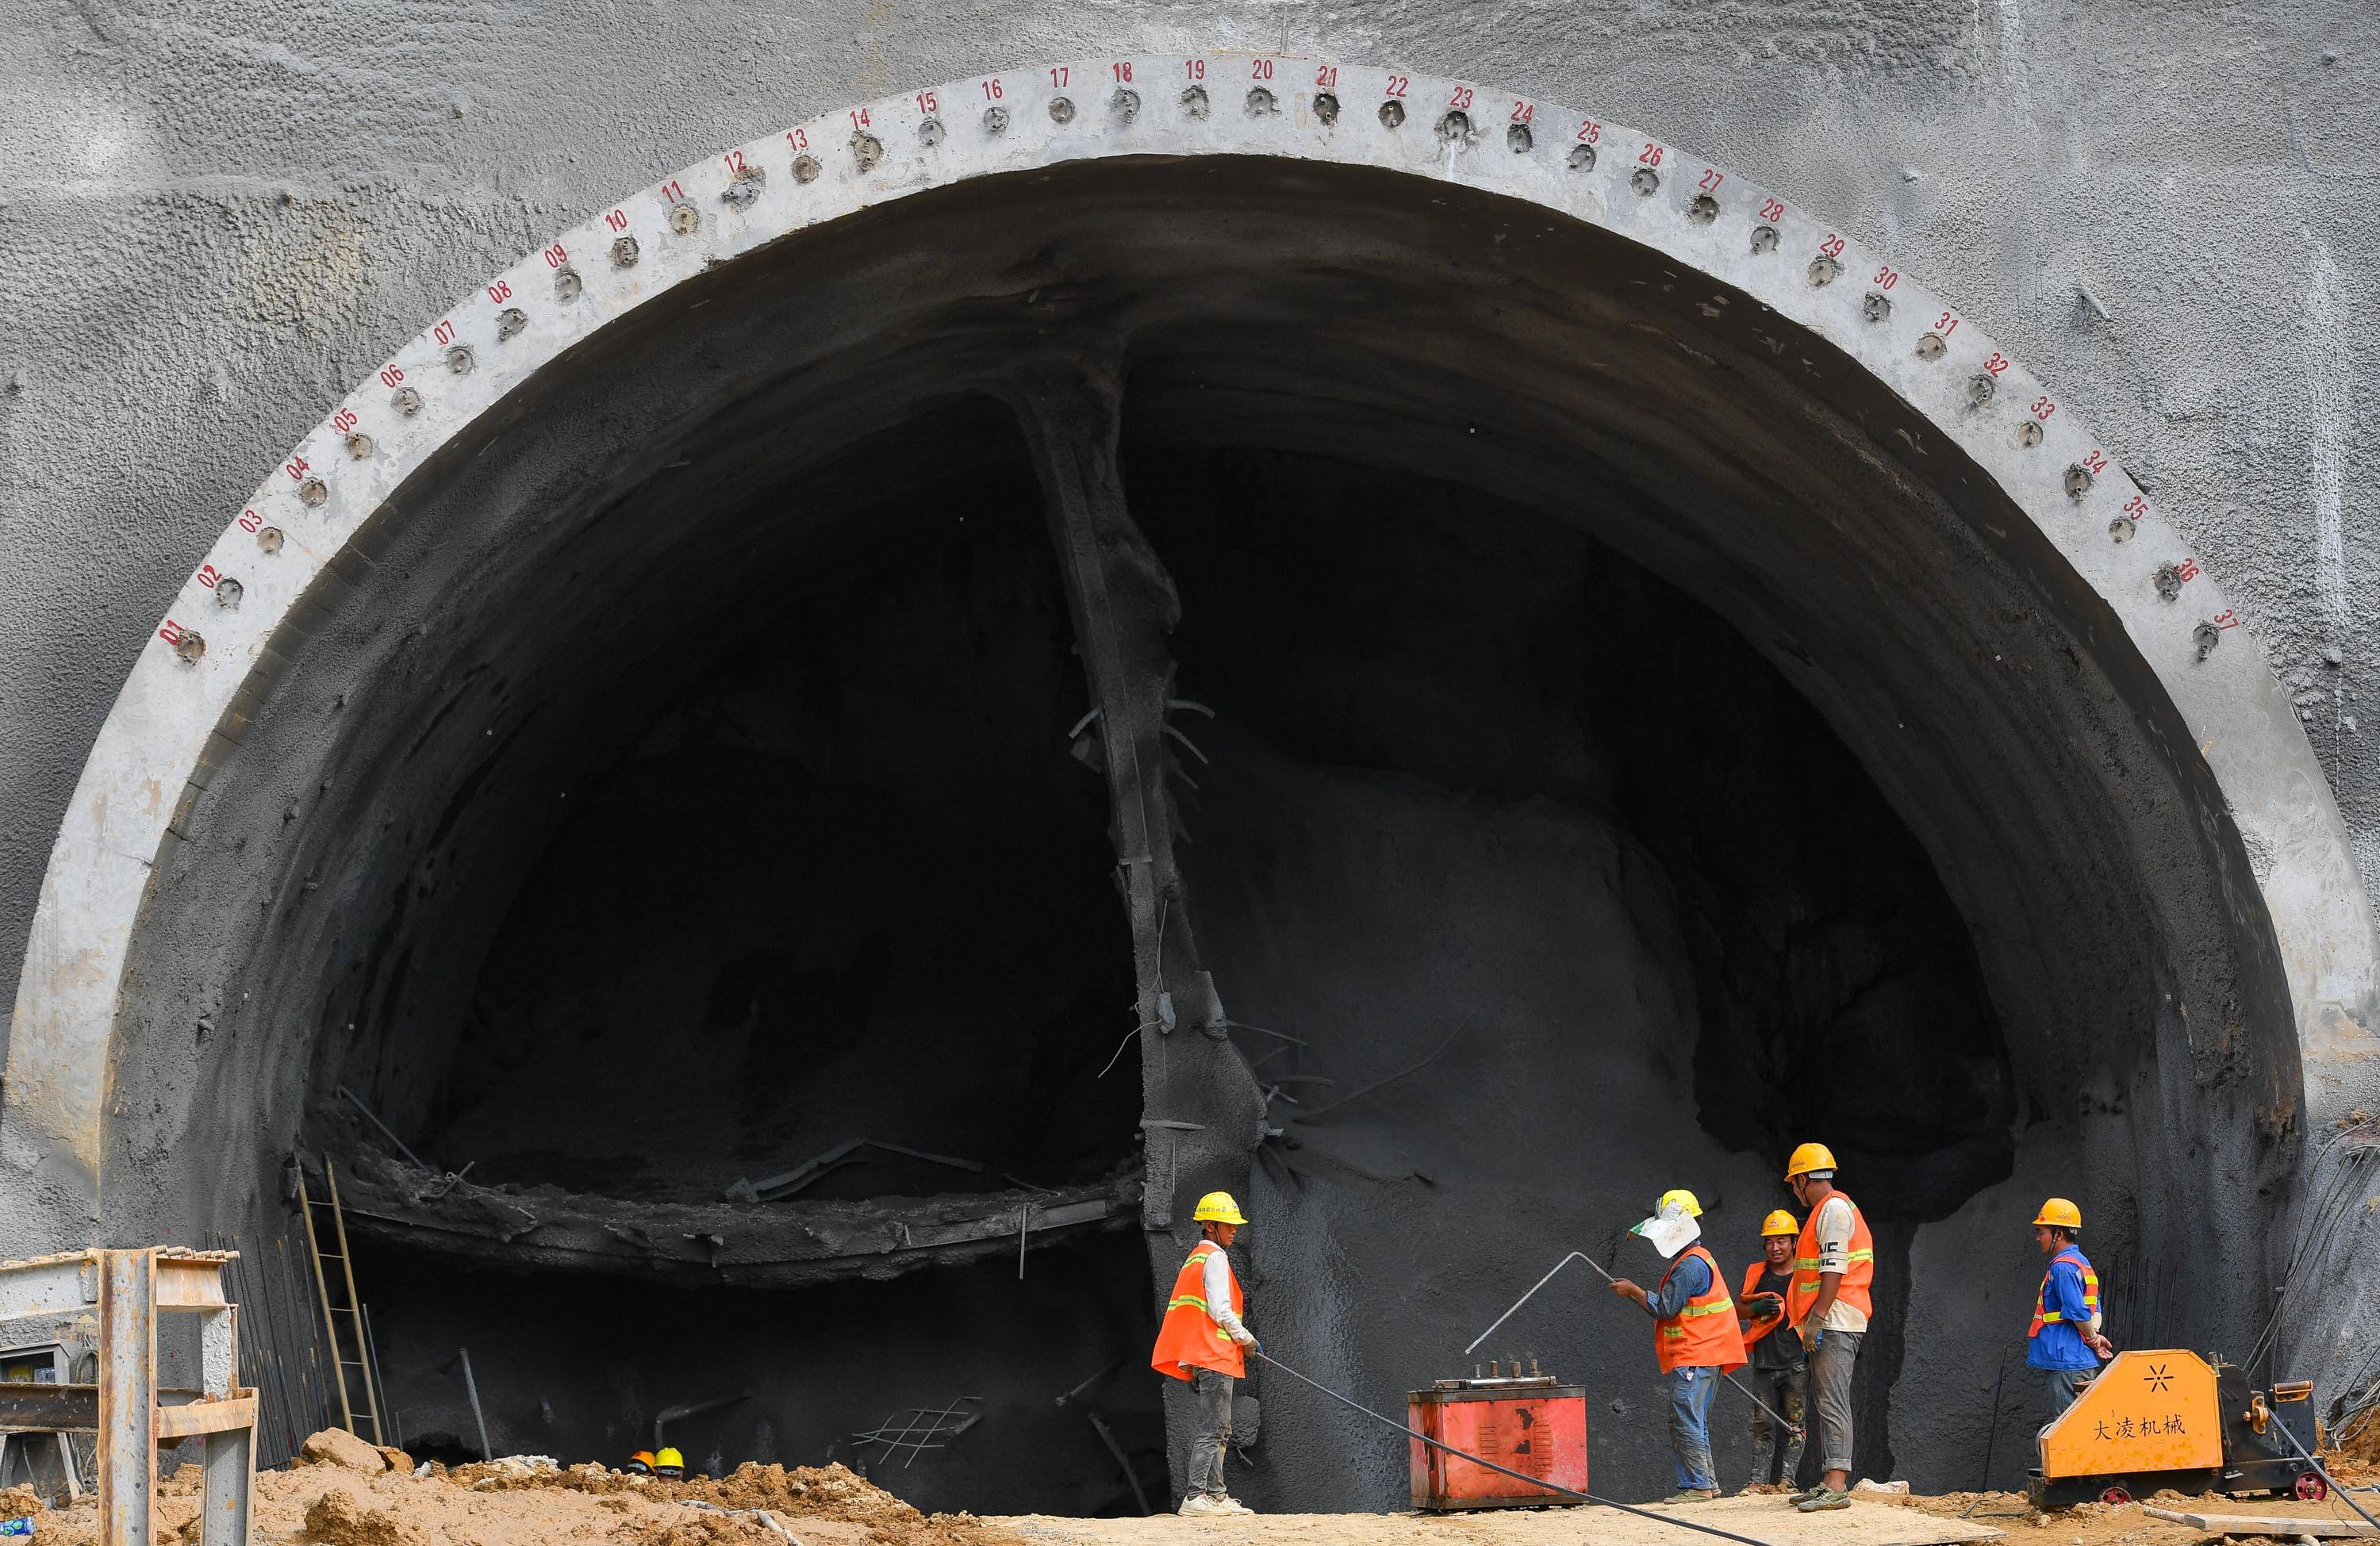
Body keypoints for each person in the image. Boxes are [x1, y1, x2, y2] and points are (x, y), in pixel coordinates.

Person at [1610, 1188, 1748, 1505]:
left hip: (1697, 1355)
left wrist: (1632, 1290)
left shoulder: (1689, 1266)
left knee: (1685, 1417)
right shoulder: (1698, 1259)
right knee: (1694, 1419)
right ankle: (1706, 1484)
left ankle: (1697, 1486)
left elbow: (1666, 1308)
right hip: (1708, 1354)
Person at [1150, 1190, 1257, 1517]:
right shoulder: (1216, 1258)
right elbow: (1221, 1310)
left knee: (1220, 1428)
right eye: (1228, 1224)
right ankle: (1196, 1496)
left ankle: (1216, 1496)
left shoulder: (1196, 1258)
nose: (1234, 1229)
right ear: (1211, 1226)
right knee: (1213, 1428)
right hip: (1214, 1355)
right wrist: (1246, 1339)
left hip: (1204, 1356)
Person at [1783, 1143, 1871, 1513]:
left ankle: (1836, 1484)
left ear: (1803, 1179)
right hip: (1832, 1318)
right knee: (1826, 1400)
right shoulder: (1829, 1210)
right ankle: (1828, 1480)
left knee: (1833, 1399)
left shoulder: (1833, 1210)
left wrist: (1816, 1319)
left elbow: (1832, 1270)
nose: (1794, 1190)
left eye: (1794, 1183)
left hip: (1836, 1319)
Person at [1737, 1210, 1806, 1494]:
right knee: (1762, 1423)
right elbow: (1738, 1308)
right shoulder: (1758, 1273)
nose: (1775, 1248)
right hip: (1765, 1362)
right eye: (1770, 1242)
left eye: (1781, 1241)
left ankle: (1787, 1481)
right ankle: (1757, 1481)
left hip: (1797, 1363)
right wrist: (1755, 1308)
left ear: (1793, 1242)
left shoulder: (1805, 1274)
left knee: (1795, 1424)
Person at [2027, 1197, 2111, 1414]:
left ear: (2059, 1234)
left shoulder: (2062, 1268)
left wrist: (2093, 1339)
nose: (2038, 1238)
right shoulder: (2081, 1263)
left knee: (2068, 1433)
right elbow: (2093, 1311)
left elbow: (2077, 1311)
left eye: (2041, 1232)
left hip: (2068, 1360)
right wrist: (2095, 1337)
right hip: (2076, 1359)